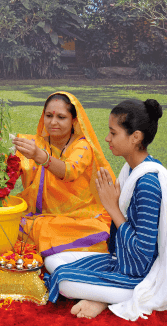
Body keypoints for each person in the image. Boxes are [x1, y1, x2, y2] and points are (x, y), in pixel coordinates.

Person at [45, 98, 166, 321]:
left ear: (136, 137)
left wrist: (114, 210)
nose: (107, 138)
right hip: (121, 262)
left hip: (141, 278)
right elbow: (115, 246)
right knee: (53, 261)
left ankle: (104, 298)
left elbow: (142, 260)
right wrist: (115, 206)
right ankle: (101, 293)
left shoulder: (147, 183)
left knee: (64, 281)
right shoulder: (130, 171)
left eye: (113, 133)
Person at [12, 91, 115, 265]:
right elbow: (7, 171)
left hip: (77, 218)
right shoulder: (35, 144)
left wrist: (41, 157)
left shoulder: (82, 146)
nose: (53, 122)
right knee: (12, 223)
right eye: (49, 115)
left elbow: (69, 171)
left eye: (61, 117)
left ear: (74, 120)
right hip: (39, 216)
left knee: (94, 230)